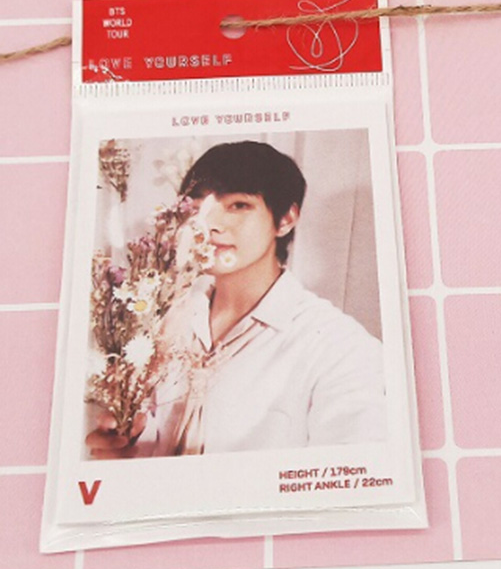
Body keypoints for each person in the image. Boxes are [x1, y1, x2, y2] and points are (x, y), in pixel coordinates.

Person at [87, 140, 385, 458]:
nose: (210, 224)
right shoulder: (162, 321)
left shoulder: (339, 347)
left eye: (238, 205)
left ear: (285, 219)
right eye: (197, 206)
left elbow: (352, 472)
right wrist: (125, 448)